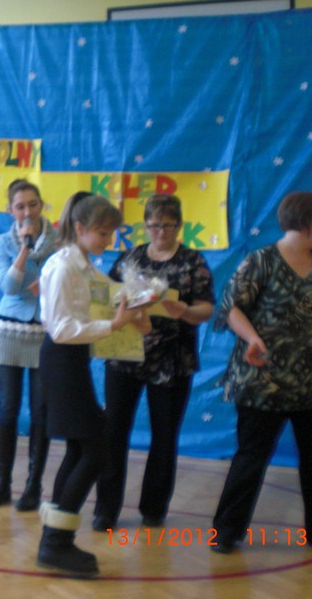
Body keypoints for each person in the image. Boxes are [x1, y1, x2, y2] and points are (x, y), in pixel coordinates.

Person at [210, 190, 312, 553]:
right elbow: (230, 308)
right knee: (251, 457)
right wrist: (253, 338)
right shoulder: (261, 261)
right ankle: (226, 531)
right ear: (304, 221)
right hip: (264, 381)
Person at [36, 192, 151, 577]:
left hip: (73, 361)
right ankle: (55, 543)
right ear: (80, 228)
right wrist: (113, 325)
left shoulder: (84, 265)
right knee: (96, 451)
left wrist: (140, 305)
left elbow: (116, 294)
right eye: (103, 233)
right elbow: (60, 328)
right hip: (61, 361)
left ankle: (55, 541)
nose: (109, 240)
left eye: (111, 233)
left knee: (80, 450)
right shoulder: (62, 266)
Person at [93, 194, 215, 531]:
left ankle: (153, 509)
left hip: (172, 359)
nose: (160, 232)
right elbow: (108, 298)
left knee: (164, 436)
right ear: (145, 225)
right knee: (113, 432)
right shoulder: (129, 257)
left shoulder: (192, 261)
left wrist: (185, 310)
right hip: (125, 354)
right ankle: (105, 510)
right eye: (154, 225)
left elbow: (207, 308)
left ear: (179, 226)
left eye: (168, 225)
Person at [0, 179, 58, 511]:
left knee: (40, 410)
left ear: (42, 205)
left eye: (33, 204)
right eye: (20, 206)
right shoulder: (3, 243)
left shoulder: (59, 241)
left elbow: (69, 283)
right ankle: (2, 482)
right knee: (7, 407)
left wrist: (49, 284)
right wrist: (25, 249)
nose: (27, 212)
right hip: (10, 329)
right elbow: (9, 287)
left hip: (45, 330)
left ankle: (33, 485)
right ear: (10, 210)